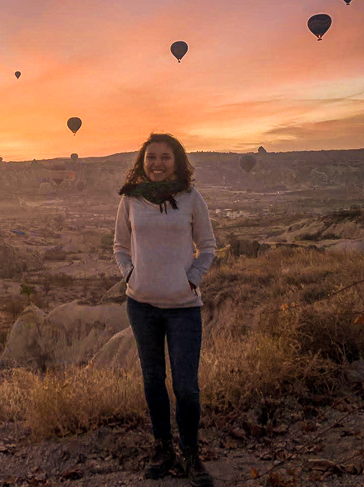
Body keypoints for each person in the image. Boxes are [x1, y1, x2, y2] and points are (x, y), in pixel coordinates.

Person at [113, 133, 216, 487]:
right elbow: (119, 245)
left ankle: (190, 453)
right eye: (151, 157)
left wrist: (191, 280)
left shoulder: (191, 198)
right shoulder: (130, 200)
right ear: (142, 161)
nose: (157, 163)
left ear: (177, 161)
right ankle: (163, 447)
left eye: (165, 157)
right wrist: (130, 274)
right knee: (153, 380)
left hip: (184, 308)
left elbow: (207, 246)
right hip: (141, 306)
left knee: (186, 386)